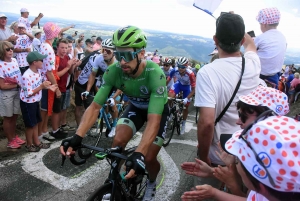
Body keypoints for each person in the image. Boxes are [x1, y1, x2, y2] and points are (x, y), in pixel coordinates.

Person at [60, 25, 169, 201]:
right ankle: (114, 181)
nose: (122, 61)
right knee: (117, 141)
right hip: (135, 108)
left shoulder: (154, 74)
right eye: (118, 55)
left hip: (157, 113)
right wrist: (77, 136)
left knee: (148, 157)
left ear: (141, 54)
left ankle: (151, 182)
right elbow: (95, 106)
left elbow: (153, 120)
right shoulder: (114, 71)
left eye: (126, 55)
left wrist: (139, 153)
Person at [181, 86, 290, 200]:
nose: (238, 121)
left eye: (243, 116)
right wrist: (213, 172)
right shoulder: (271, 154)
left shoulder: (275, 165)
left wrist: (230, 187)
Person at [194, 13, 261, 191]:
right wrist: (236, 25)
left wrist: (203, 156)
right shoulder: (253, 64)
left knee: (207, 193)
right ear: (240, 40)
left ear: (215, 40)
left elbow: (207, 122)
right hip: (245, 151)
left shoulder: (207, 72)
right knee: (238, 193)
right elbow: (251, 44)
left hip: (217, 153)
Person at [20, 51, 58, 152]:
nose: (43, 61)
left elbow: (39, 85)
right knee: (30, 125)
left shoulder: (38, 72)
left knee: (36, 122)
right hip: (28, 103)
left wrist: (49, 87)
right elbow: (28, 93)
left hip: (35, 101)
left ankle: (36, 142)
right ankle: (29, 144)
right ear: (34, 62)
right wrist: (42, 86)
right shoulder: (26, 76)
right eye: (41, 60)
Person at [83, 38, 118, 137]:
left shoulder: (118, 63)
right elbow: (93, 75)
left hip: (116, 86)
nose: (104, 53)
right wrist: (87, 90)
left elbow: (122, 84)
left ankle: (114, 126)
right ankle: (106, 116)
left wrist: (114, 97)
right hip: (103, 83)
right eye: (103, 50)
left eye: (108, 51)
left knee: (113, 105)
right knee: (101, 103)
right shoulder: (99, 58)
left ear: (113, 53)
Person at [38, 22, 62, 142]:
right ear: (55, 34)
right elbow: (49, 72)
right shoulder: (49, 49)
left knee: (46, 109)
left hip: (44, 81)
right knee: (44, 109)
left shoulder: (43, 45)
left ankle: (43, 131)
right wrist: (56, 89)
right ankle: (40, 134)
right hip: (47, 83)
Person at [50, 39, 78, 139]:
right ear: (57, 47)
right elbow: (55, 75)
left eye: (66, 48)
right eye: (62, 47)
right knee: (56, 110)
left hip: (64, 87)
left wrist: (73, 65)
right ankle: (55, 130)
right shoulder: (55, 58)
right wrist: (68, 66)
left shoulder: (66, 57)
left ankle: (58, 128)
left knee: (61, 109)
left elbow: (70, 72)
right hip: (57, 87)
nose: (64, 50)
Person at [0, 41, 25, 149]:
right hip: (7, 95)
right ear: (2, 51)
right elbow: (2, 86)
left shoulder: (15, 60)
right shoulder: (0, 65)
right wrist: (17, 85)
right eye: (7, 49)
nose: (11, 51)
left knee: (14, 116)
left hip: (17, 92)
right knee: (8, 118)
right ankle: (10, 141)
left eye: (11, 48)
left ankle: (14, 137)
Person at [255, 7, 286, 88]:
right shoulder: (282, 37)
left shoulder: (260, 38)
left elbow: (250, 52)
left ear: (264, 24)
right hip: (275, 77)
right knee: (269, 99)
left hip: (260, 77)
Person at [167, 56, 196, 135]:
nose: (180, 69)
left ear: (186, 66)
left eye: (182, 67)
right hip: (178, 85)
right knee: (169, 97)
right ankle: (171, 112)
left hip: (187, 88)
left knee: (186, 106)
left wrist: (187, 98)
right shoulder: (174, 70)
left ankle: (183, 123)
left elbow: (194, 89)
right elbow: (168, 80)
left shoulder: (191, 74)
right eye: (179, 66)